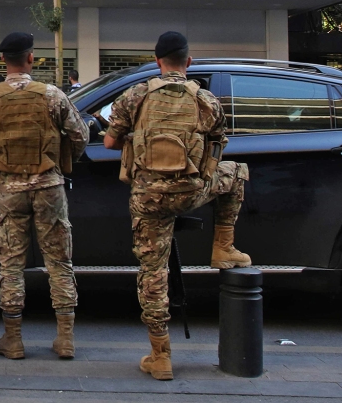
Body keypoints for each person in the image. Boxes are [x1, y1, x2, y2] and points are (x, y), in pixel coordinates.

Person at [103, 31, 251, 382]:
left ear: (157, 62)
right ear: (188, 62)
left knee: (153, 275)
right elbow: (218, 149)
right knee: (238, 173)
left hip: (148, 198)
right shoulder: (206, 99)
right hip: (190, 192)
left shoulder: (136, 94)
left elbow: (109, 142)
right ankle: (223, 246)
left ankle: (161, 356)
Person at [0, 32, 88, 361]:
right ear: (31, 58)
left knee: (10, 267)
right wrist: (64, 162)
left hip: (9, 188)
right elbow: (80, 135)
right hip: (49, 185)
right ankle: (65, 338)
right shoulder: (52, 95)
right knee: (60, 263)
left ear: (2, 60)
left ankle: (13, 339)